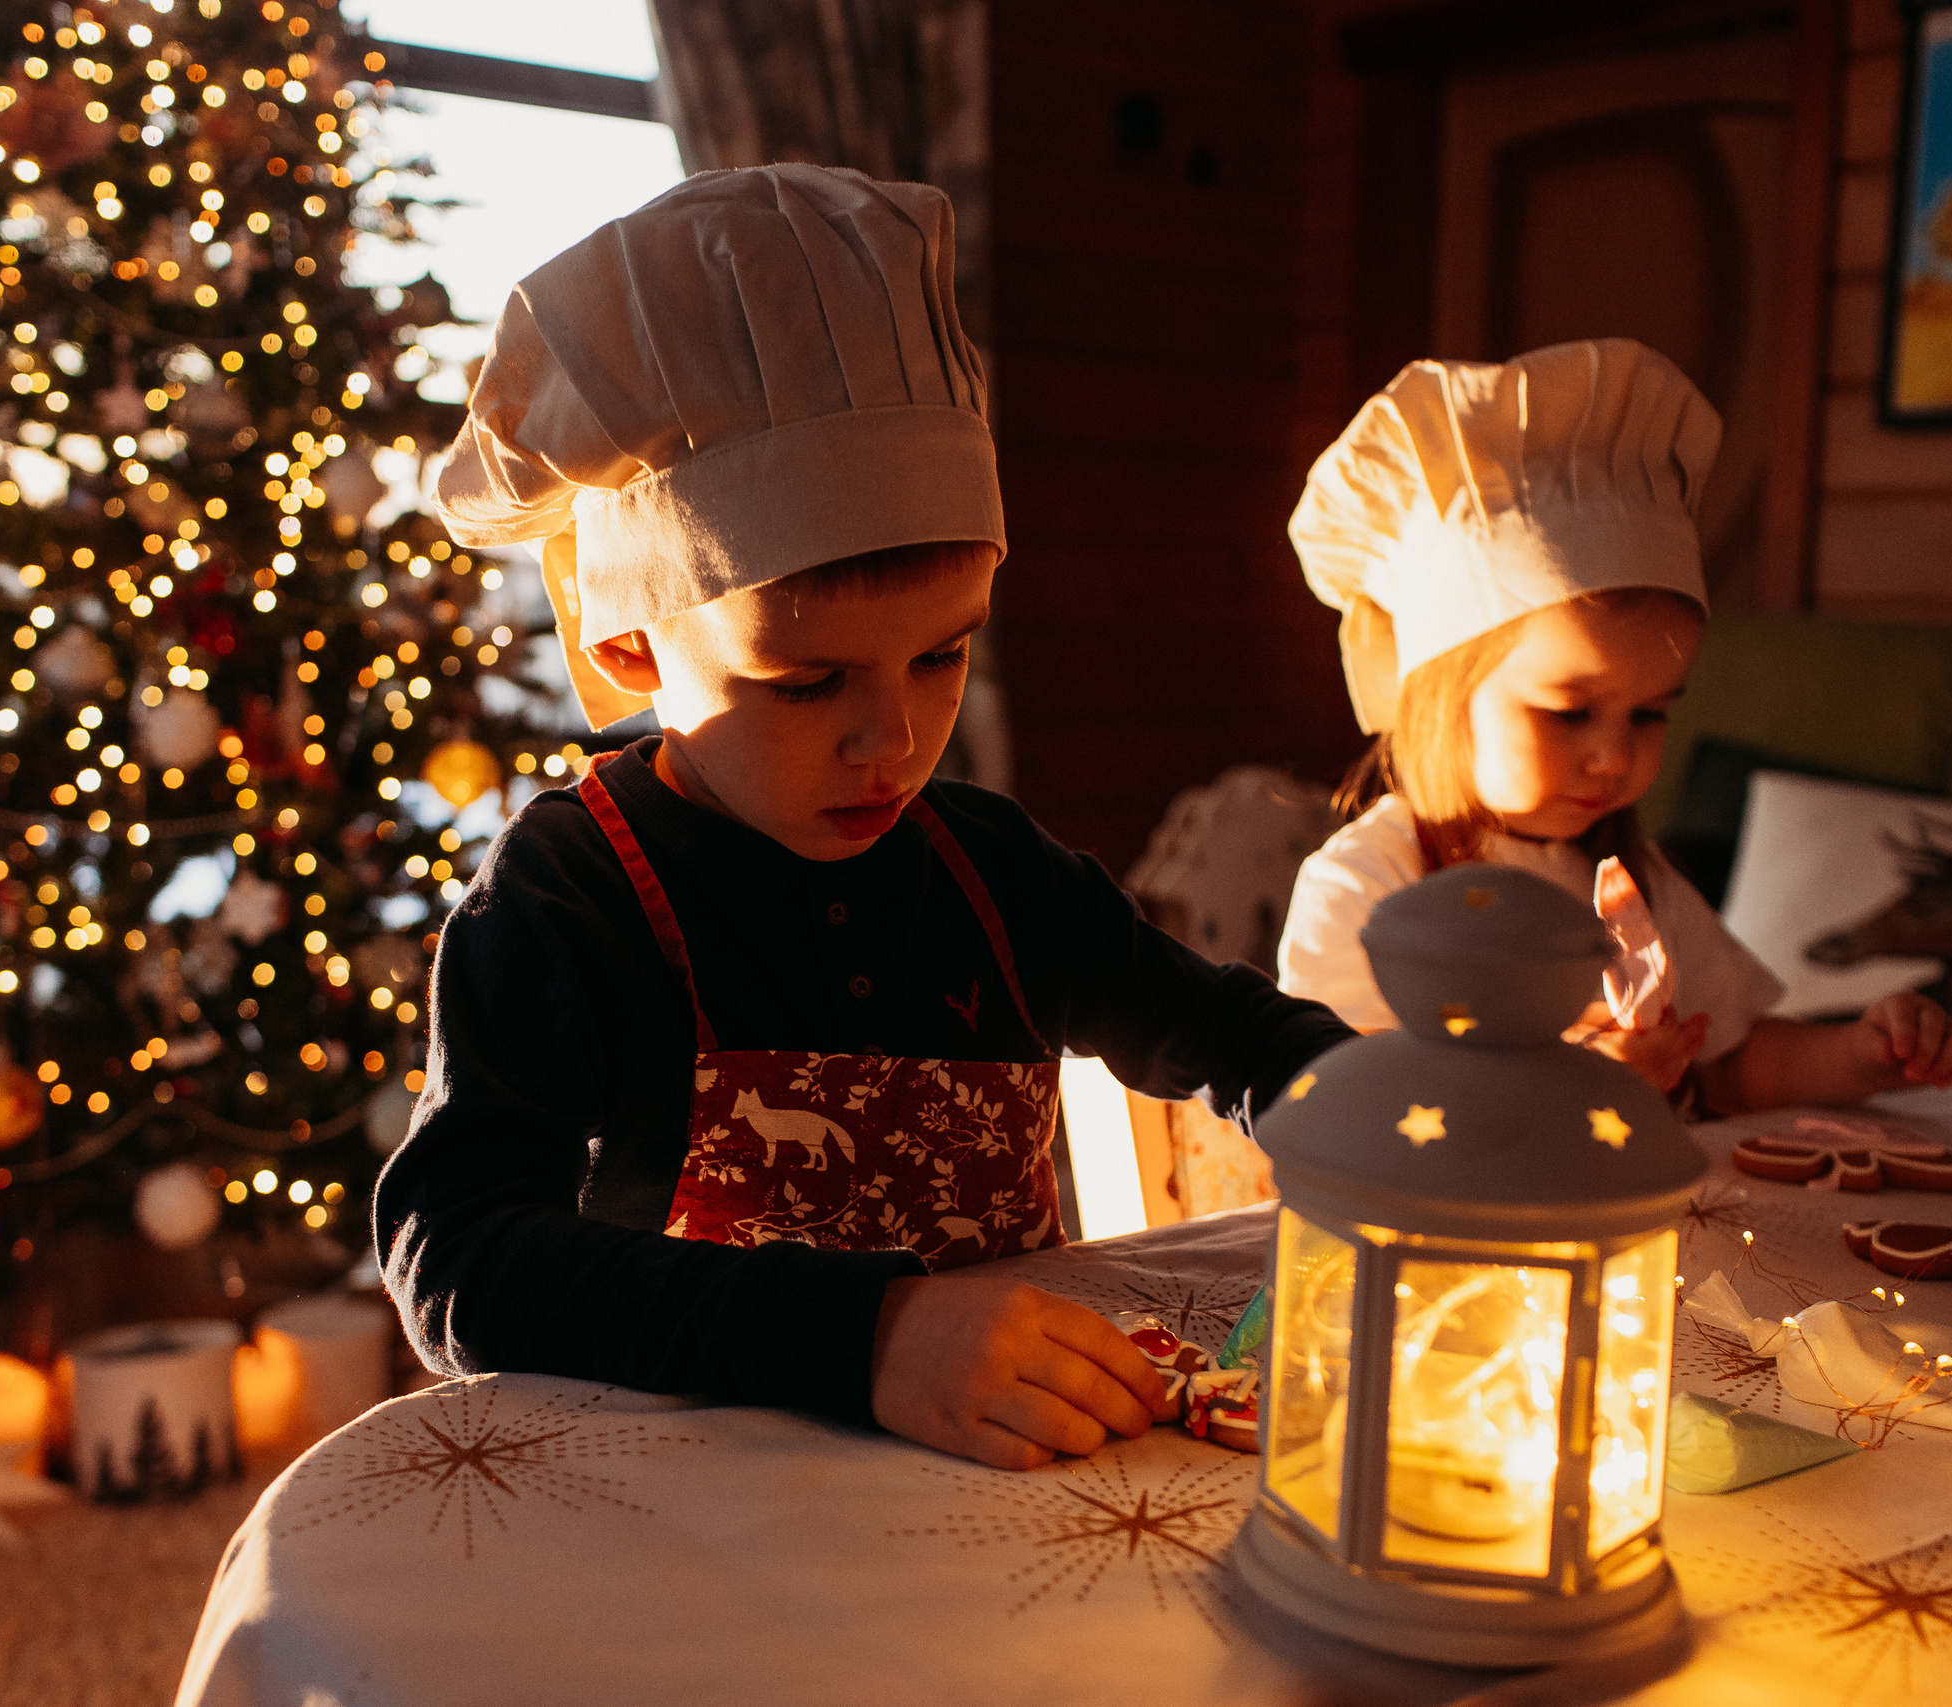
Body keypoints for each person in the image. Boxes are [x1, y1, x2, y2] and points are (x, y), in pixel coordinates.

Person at [379, 165, 1351, 1473]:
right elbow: (463, 1259)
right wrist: (866, 1333)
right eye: (806, 680)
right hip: (685, 1512)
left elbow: (1231, 1031)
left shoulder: (993, 872)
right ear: (625, 648)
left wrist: (1378, 1106)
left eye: (941, 657)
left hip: (1000, 1485)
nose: (891, 741)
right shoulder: (566, 896)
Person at [1275, 339, 1952, 1113]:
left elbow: (1737, 1064)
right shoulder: (1370, 887)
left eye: (1650, 712)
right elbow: (1331, 1096)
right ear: (1439, 698)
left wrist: (1859, 1050)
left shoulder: (1641, 887)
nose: (1613, 755)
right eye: (1569, 712)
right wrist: (1563, 1085)